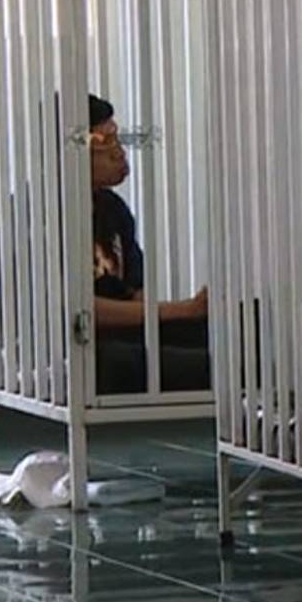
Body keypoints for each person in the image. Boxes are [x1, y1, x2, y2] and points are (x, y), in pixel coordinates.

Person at [87, 95, 210, 393]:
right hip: (81, 348)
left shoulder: (112, 208)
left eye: (117, 138)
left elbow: (136, 295)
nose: (119, 153)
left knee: (239, 327)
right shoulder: (37, 215)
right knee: (202, 363)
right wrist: (185, 310)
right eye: (105, 142)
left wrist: (191, 313)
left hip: (126, 335)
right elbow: (78, 312)